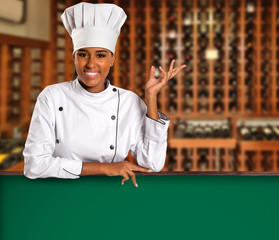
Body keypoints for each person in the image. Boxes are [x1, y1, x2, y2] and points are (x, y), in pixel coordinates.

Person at [23, 2, 185, 187]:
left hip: (113, 193)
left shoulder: (128, 101)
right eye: (83, 55)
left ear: (112, 59)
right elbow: (34, 165)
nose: (91, 64)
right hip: (62, 192)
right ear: (74, 58)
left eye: (100, 55)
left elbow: (152, 163)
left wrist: (151, 98)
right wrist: (105, 168)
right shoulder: (52, 96)